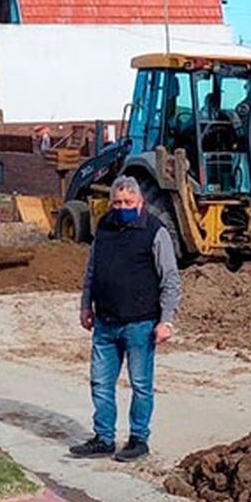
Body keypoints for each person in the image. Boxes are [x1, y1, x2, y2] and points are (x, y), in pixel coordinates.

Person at [68, 176, 181, 462]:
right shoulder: (105, 227)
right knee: (100, 383)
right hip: (105, 323)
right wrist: (85, 306)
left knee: (141, 384)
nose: (122, 207)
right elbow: (92, 270)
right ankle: (103, 438)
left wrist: (166, 320)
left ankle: (138, 439)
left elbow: (170, 279)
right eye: (117, 202)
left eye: (128, 203)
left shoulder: (155, 232)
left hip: (140, 324)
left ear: (140, 203)